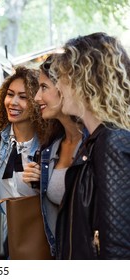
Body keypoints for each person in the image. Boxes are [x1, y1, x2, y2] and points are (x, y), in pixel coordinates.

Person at [52, 32, 130, 259]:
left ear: (84, 80)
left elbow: (118, 248)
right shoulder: (99, 139)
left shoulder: (112, 142)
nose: (58, 85)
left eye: (63, 77)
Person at [0, 66, 47, 258]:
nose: (13, 102)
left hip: (44, 239)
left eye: (23, 97)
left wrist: (43, 179)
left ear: (38, 101)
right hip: (12, 238)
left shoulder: (49, 145)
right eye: (10, 94)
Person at [22, 54, 84, 257]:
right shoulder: (52, 147)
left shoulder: (97, 145)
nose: (37, 97)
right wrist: (40, 181)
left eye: (44, 88)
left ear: (65, 87)